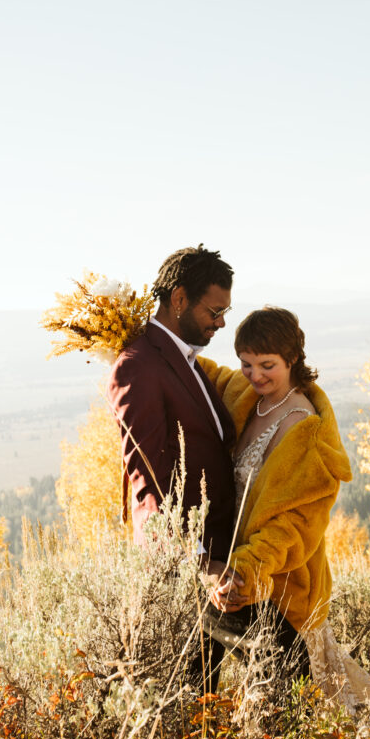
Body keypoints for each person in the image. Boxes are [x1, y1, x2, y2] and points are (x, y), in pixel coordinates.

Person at [198, 307, 353, 679]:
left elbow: (293, 527)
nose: (255, 375)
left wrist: (244, 573)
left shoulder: (306, 431)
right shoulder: (246, 393)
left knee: (294, 707)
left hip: (278, 586)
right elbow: (202, 373)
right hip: (229, 572)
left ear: (293, 358)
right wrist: (130, 334)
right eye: (246, 363)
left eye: (267, 365)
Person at [106, 242, 236, 566]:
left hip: (219, 561)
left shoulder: (182, 357)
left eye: (225, 313)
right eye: (215, 312)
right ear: (179, 299)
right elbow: (147, 478)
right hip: (185, 572)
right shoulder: (138, 365)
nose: (221, 323)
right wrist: (198, 563)